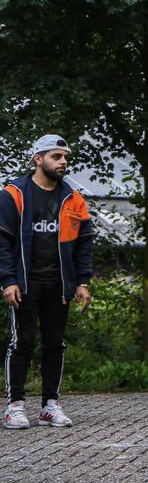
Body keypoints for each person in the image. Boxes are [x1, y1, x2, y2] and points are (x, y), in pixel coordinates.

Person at [1, 135, 94, 430]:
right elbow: (2, 242)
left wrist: (82, 282)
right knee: (22, 342)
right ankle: (15, 406)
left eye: (65, 157)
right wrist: (8, 280)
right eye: (56, 156)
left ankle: (50, 405)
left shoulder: (73, 197)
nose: (63, 161)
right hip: (25, 284)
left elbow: (85, 243)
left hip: (59, 283)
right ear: (38, 159)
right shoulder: (13, 194)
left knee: (55, 343)